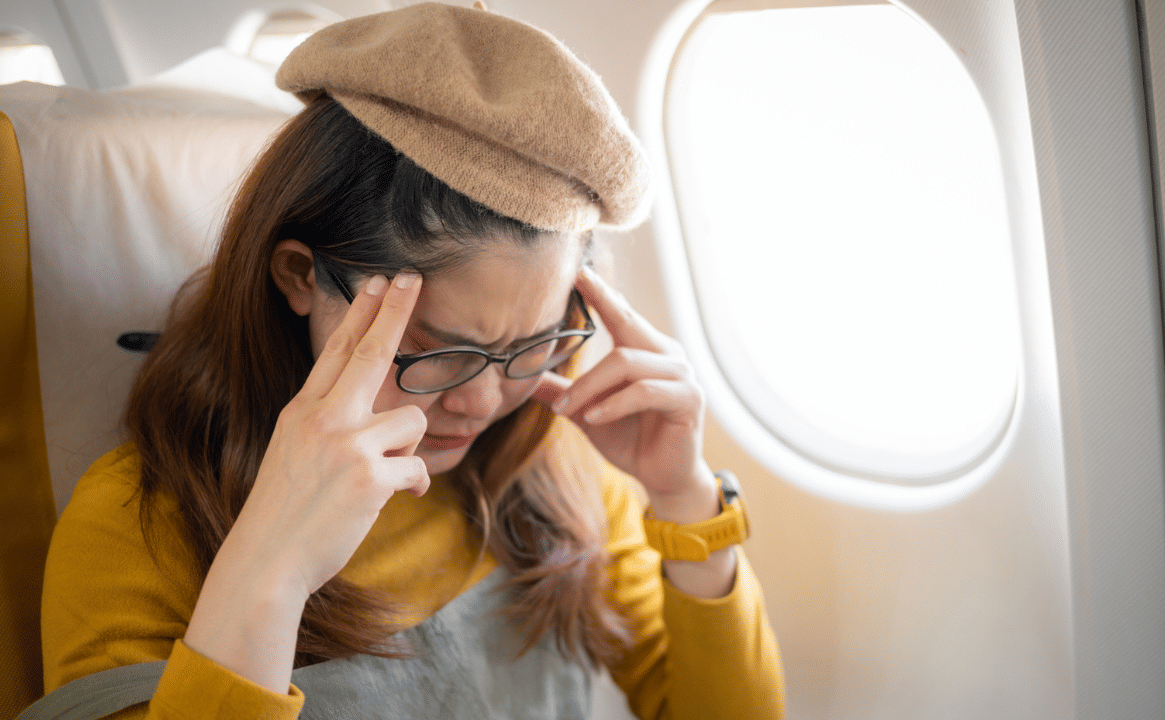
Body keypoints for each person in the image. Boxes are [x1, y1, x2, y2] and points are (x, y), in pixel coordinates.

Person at [38, 3, 784, 718]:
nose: (486, 401)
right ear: (300, 276)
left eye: (529, 345)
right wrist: (271, 571)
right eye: (434, 352)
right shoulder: (135, 528)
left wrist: (684, 496)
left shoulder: (553, 466)